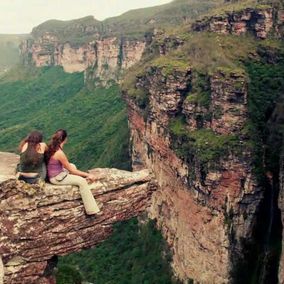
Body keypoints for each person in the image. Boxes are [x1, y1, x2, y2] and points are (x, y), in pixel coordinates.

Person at [46, 129, 100, 215]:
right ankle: (91, 210)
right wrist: (88, 175)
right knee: (82, 182)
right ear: (65, 139)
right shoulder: (59, 153)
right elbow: (72, 171)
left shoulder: (50, 147)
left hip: (53, 173)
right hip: (56, 178)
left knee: (72, 165)